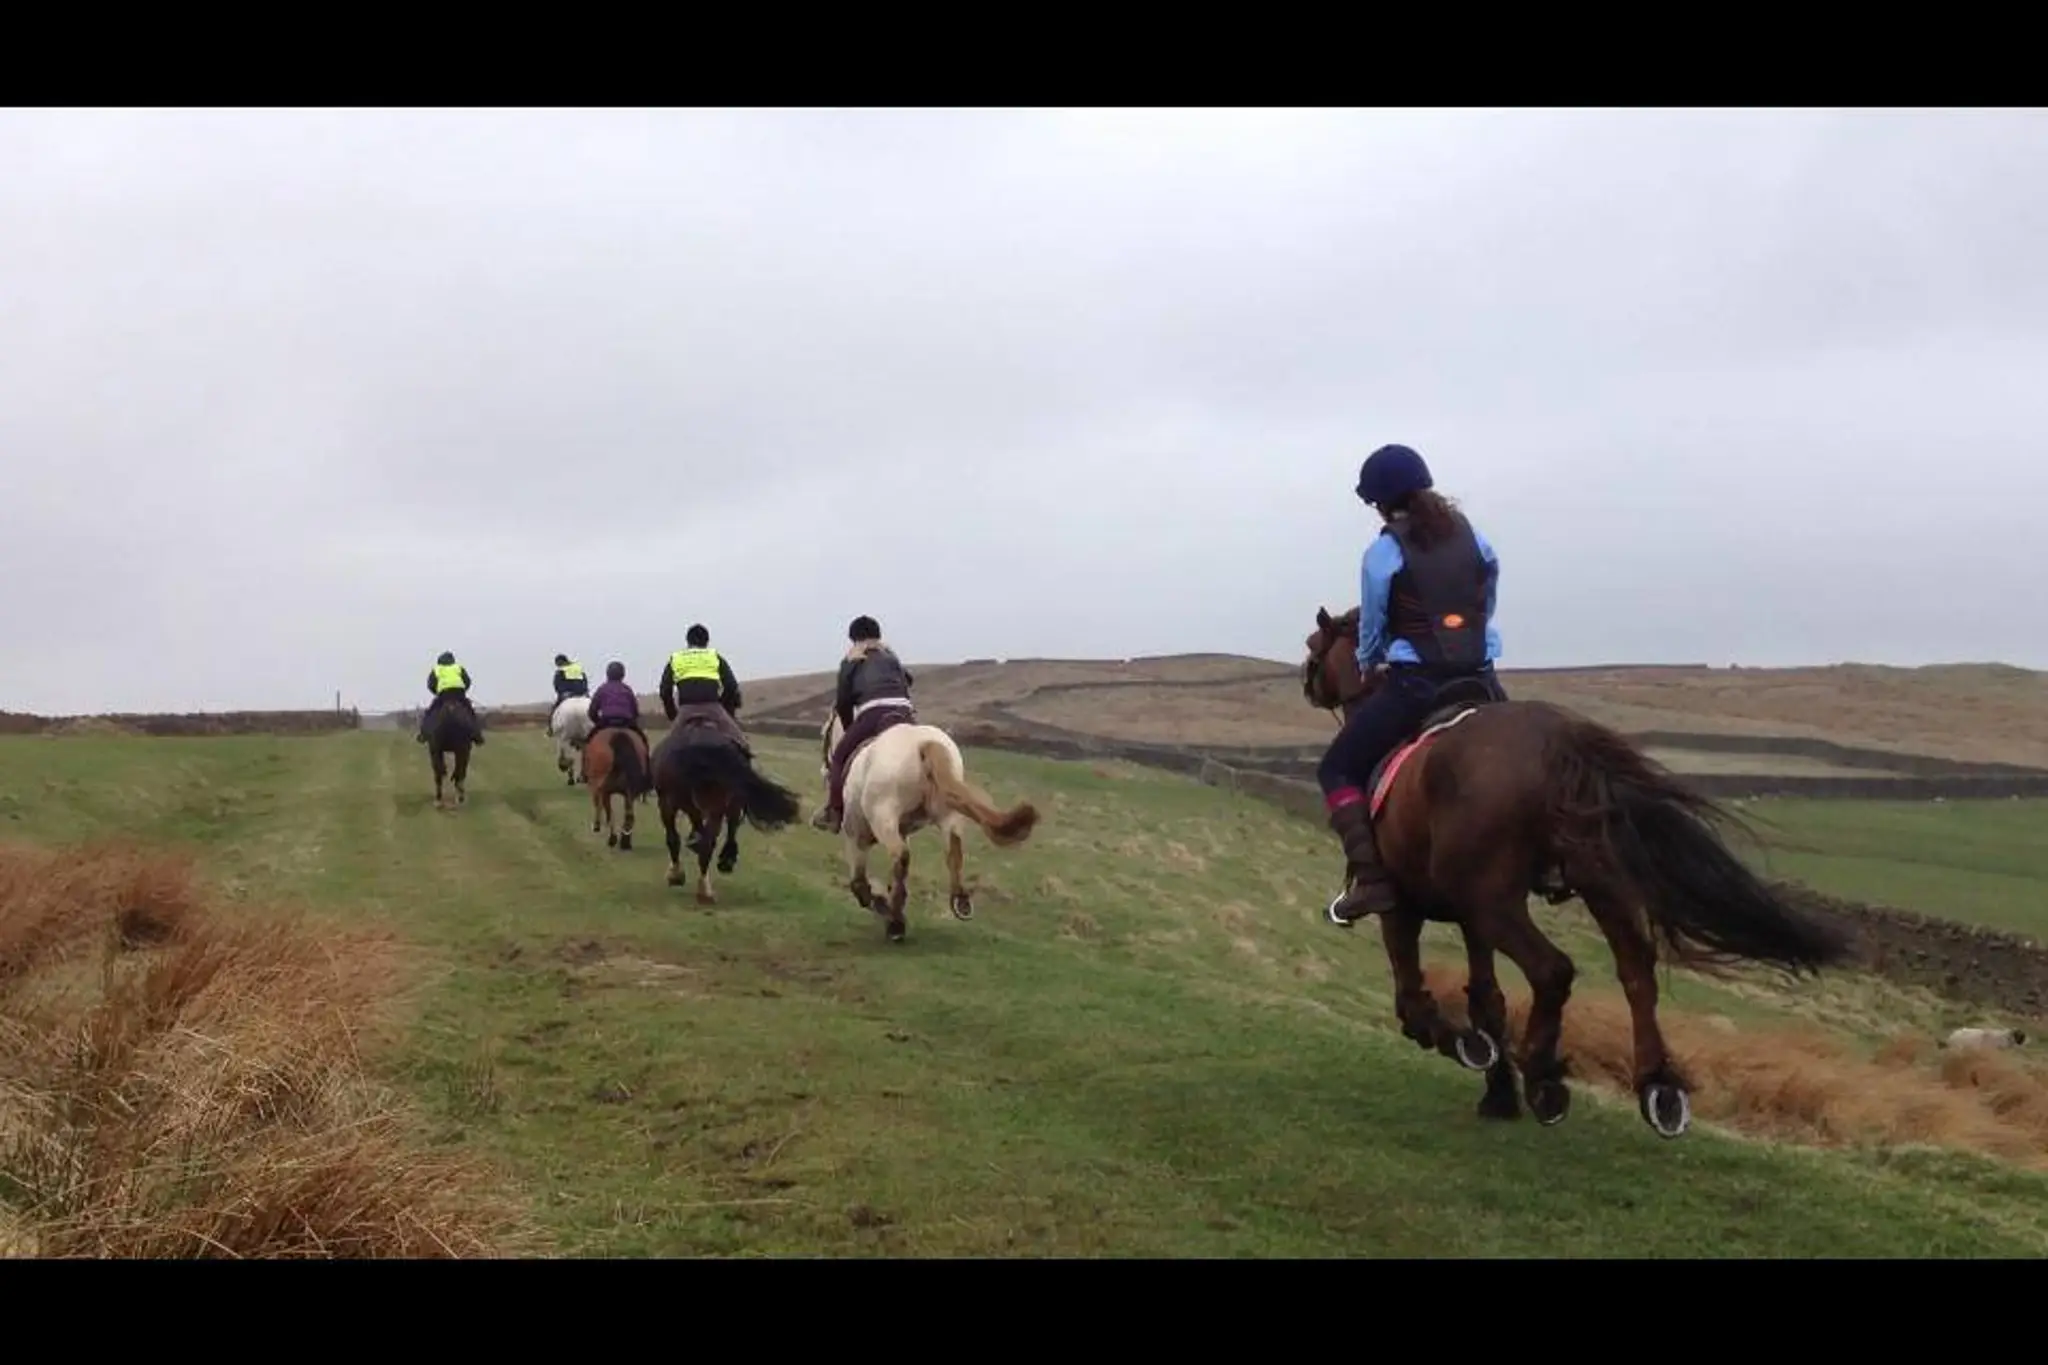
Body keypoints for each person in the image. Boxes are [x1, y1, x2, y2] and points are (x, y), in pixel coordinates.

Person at [1319, 443, 1503, 928]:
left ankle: (1371, 883)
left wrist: (1370, 661)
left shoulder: (1384, 552)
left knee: (1337, 769)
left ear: (1381, 502)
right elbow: (1487, 601)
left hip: (1418, 682)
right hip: (1480, 678)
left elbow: (1375, 626)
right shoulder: (1476, 539)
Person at [812, 614, 917, 833]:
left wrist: (851, 728)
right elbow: (908, 680)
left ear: (855, 639)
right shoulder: (890, 656)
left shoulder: (852, 660)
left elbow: (843, 702)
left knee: (839, 757)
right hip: (904, 712)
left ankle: (834, 812)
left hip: (873, 714)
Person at [659, 624, 751, 754]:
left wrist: (673, 715)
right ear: (707, 642)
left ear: (688, 641)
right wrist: (723, 704)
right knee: (742, 745)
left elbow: (665, 691)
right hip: (713, 707)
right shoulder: (715, 657)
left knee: (664, 752)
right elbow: (731, 686)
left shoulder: (676, 659)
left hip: (686, 709)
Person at [417, 650, 485, 746]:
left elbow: (430, 684)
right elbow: (467, 682)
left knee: (430, 712)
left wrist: (437, 692)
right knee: (470, 712)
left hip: (443, 695)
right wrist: (462, 691)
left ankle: (423, 734)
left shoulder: (437, 669)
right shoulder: (458, 668)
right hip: (459, 694)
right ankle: (477, 735)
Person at [585, 660, 648, 747]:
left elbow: (592, 712)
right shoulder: (627, 689)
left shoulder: (602, 689)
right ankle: (647, 758)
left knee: (588, 741)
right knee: (643, 740)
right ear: (623, 675)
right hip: (626, 722)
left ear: (607, 674)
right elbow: (635, 712)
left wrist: (598, 722)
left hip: (606, 721)